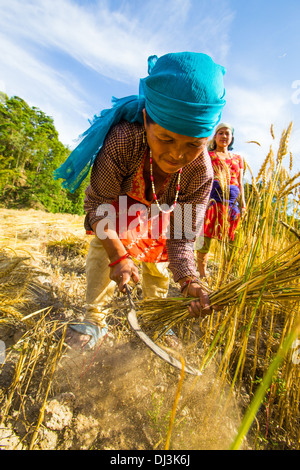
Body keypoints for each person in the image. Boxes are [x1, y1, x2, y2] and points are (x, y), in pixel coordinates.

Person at [54, 52, 227, 350]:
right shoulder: (124, 140)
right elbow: (98, 205)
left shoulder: (200, 172)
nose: (177, 155)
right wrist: (119, 255)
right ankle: (94, 318)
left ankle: (154, 318)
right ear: (147, 120)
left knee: (159, 268)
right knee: (103, 252)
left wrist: (189, 280)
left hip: (163, 215)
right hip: (117, 209)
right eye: (166, 138)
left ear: (207, 137)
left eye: (193, 145)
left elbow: (182, 238)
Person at [195, 123, 246, 279]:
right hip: (212, 204)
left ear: (231, 138)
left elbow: (240, 182)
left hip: (232, 207)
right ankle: (202, 275)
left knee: (231, 244)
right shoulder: (208, 156)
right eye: (221, 133)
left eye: (227, 133)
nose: (224, 136)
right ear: (215, 137)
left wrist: (243, 204)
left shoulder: (238, 158)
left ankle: (225, 277)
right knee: (204, 243)